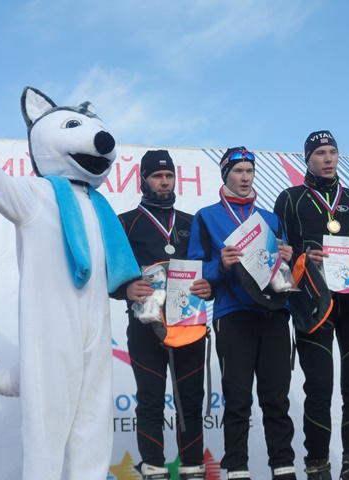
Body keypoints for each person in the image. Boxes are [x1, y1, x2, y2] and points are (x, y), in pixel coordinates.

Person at [187, 147, 296, 480]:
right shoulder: (206, 217)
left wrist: (287, 255)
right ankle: (237, 469)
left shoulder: (271, 218)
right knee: (237, 400)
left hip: (274, 314)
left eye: (250, 170)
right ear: (226, 175)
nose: (245, 177)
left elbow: (283, 267)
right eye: (238, 171)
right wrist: (220, 264)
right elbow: (194, 271)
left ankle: (284, 468)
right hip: (233, 313)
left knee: (276, 399)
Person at [274, 131, 349, 480]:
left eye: (333, 152)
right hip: (311, 303)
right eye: (320, 153)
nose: (328, 158)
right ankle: (317, 465)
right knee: (319, 386)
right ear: (308, 159)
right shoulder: (289, 199)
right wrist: (304, 256)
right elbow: (277, 256)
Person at [111, 150, 212, 480]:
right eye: (157, 176)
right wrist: (124, 290)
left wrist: (208, 286)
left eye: (169, 176)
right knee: (151, 401)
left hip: (187, 323)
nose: (164, 182)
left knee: (190, 400)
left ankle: (193, 469)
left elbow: (206, 269)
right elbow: (109, 272)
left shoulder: (190, 222)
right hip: (145, 326)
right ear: (144, 180)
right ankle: (154, 469)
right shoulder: (125, 222)